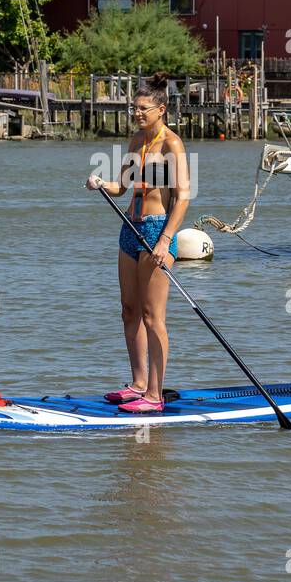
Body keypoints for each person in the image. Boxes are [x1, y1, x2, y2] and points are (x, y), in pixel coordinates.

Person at [85, 72, 191, 413]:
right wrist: (101, 182)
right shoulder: (136, 141)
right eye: (135, 108)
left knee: (152, 316)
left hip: (156, 232)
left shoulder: (171, 144)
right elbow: (122, 187)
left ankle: (156, 396)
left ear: (161, 109)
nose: (137, 113)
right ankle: (138, 384)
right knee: (129, 311)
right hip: (129, 230)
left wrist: (165, 240)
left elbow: (183, 197)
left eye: (144, 108)